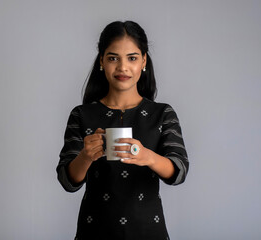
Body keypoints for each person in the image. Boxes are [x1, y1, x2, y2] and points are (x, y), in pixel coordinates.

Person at [56, 20, 189, 240]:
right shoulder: (82, 115)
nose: (122, 67)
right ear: (101, 61)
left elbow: (179, 171)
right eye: (112, 58)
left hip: (148, 231)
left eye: (132, 58)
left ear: (144, 61)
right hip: (94, 231)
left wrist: (148, 157)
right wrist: (85, 156)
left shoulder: (162, 114)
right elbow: (67, 180)